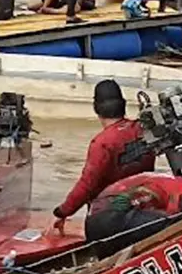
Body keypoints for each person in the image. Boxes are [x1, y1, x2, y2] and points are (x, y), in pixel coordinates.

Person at [52, 79, 157, 233]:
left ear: (96, 108)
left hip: (110, 218)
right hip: (145, 207)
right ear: (123, 104)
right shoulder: (143, 130)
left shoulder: (102, 144)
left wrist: (62, 212)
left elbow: (87, 185)